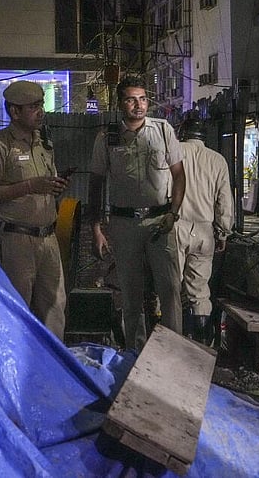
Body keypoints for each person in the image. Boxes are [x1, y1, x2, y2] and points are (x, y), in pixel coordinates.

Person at [89, 76, 186, 351]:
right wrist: (96, 229)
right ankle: (135, 351)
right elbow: (96, 183)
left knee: (170, 290)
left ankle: (173, 352)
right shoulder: (106, 137)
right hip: (124, 224)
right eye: (131, 99)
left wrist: (174, 213)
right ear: (120, 103)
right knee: (131, 294)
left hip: (160, 222)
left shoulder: (163, 131)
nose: (138, 105)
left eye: (143, 99)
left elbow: (179, 176)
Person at [0, 80, 69, 340]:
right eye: (33, 107)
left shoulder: (43, 145)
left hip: (48, 239)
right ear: (14, 112)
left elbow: (43, 185)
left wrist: (53, 187)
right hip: (16, 241)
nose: (41, 112)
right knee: (16, 313)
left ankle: (54, 374)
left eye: (41, 105)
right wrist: (29, 186)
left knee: (54, 311)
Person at [174, 118, 234, 345]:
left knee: (171, 286)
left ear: (182, 133)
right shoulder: (217, 160)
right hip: (204, 231)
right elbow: (224, 201)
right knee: (199, 290)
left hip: (176, 226)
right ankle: (200, 341)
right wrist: (223, 232)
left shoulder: (174, 152)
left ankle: (171, 338)